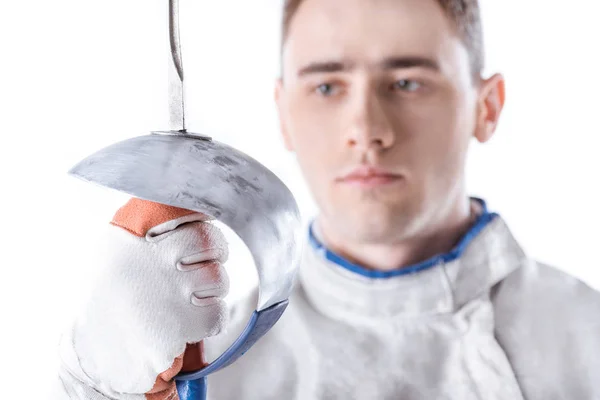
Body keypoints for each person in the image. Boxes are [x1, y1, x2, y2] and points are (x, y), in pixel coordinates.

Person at [53, 0, 600, 399]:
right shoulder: (203, 365)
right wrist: (99, 386)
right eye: (326, 86)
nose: (365, 129)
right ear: (283, 112)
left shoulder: (587, 337)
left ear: (488, 106)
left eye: (407, 82)